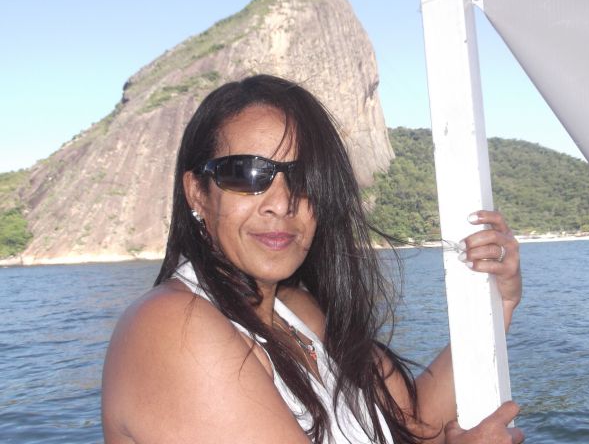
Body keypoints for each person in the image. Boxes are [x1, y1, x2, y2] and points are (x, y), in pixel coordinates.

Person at [102, 74, 524, 443]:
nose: (282, 203)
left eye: (303, 177)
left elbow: (411, 424)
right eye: (247, 173)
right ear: (197, 192)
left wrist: (499, 302)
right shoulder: (173, 328)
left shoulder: (296, 311)